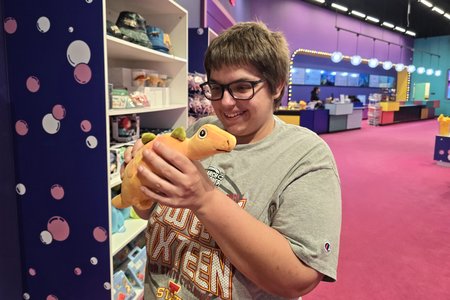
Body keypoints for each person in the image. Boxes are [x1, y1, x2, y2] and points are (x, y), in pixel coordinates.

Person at [124, 21, 341, 299]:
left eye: (242, 87)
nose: (225, 103)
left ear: (276, 87)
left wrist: (205, 199)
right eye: (216, 87)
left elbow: (298, 279)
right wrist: (139, 177)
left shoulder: (306, 156)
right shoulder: (199, 130)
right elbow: (150, 212)